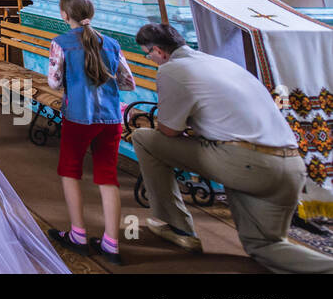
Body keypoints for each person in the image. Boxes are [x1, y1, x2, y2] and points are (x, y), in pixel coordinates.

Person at [131, 23, 333, 273]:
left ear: (159, 52)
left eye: (147, 54)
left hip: (247, 164)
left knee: (143, 137)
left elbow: (169, 131)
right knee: (264, 245)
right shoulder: (222, 64)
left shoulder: (171, 69)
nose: (149, 59)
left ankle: (178, 227)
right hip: (291, 167)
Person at [46, 0, 136, 265]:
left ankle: (78, 234)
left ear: (64, 15)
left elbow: (53, 81)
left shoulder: (61, 43)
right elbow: (128, 83)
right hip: (110, 118)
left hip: (78, 117)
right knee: (108, 177)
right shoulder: (110, 43)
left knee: (71, 172)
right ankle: (111, 242)